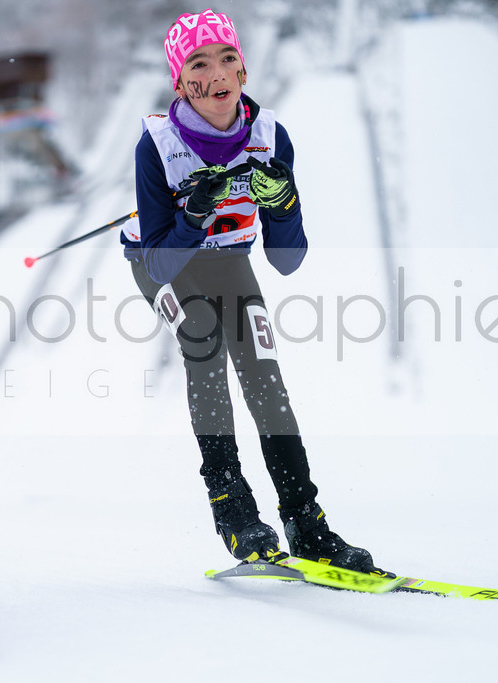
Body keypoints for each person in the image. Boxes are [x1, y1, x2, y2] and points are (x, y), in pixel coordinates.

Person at [120, 9, 388, 574]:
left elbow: (287, 261)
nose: (215, 72)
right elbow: (164, 263)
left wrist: (282, 202)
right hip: (162, 260)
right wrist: (192, 213)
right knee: (203, 341)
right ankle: (232, 506)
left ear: (243, 69)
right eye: (199, 63)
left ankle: (305, 521)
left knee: (265, 373)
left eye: (227, 59)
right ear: (181, 82)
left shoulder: (269, 138)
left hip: (228, 261)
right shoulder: (157, 146)